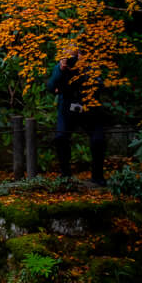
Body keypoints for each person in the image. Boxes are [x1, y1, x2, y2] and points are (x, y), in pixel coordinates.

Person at [46, 49, 106, 184]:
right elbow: (50, 86)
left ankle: (98, 176)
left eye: (74, 56)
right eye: (69, 57)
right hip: (67, 109)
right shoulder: (61, 66)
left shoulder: (90, 65)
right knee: (61, 137)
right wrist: (61, 69)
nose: (72, 60)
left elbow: (99, 85)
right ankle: (65, 175)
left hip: (89, 109)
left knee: (98, 140)